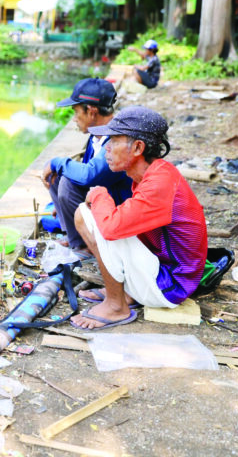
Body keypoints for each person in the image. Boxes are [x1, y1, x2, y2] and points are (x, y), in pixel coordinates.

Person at [70, 106, 208, 330]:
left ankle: (116, 306)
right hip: (165, 272)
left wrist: (99, 193)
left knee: (85, 215)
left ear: (137, 147)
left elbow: (112, 229)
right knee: (102, 215)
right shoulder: (155, 173)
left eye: (113, 141)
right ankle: (126, 293)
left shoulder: (159, 183)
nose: (106, 149)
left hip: (170, 285)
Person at [41, 78, 133, 256]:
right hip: (99, 200)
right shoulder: (95, 136)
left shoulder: (116, 140)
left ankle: (86, 247)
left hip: (119, 212)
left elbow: (88, 175)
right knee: (57, 178)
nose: (74, 119)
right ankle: (74, 235)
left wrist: (55, 162)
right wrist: (62, 204)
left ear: (91, 111)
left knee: (66, 180)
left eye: (76, 112)